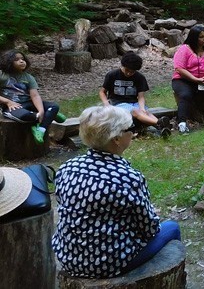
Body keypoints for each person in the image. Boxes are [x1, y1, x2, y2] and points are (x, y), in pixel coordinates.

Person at [52, 106, 181, 278]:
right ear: (117, 139)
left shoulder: (67, 168)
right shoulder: (128, 178)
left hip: (69, 258)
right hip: (108, 263)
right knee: (171, 227)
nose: (133, 133)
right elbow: (150, 229)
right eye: (130, 128)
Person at [100, 52, 171, 138]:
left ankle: (161, 127)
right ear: (122, 65)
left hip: (134, 102)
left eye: (132, 72)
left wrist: (142, 107)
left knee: (145, 112)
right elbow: (102, 92)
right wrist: (106, 104)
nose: (129, 73)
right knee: (135, 111)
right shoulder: (112, 75)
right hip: (118, 104)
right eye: (127, 70)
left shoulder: (140, 77)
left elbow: (141, 96)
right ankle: (159, 124)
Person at [0, 49, 64, 143]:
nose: (21, 61)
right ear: (8, 62)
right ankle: (49, 115)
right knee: (27, 116)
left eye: (22, 59)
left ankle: (41, 130)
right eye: (16, 59)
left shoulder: (29, 77)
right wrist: (8, 102)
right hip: (12, 106)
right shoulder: (2, 75)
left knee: (54, 106)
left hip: (29, 103)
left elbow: (35, 96)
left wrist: (41, 111)